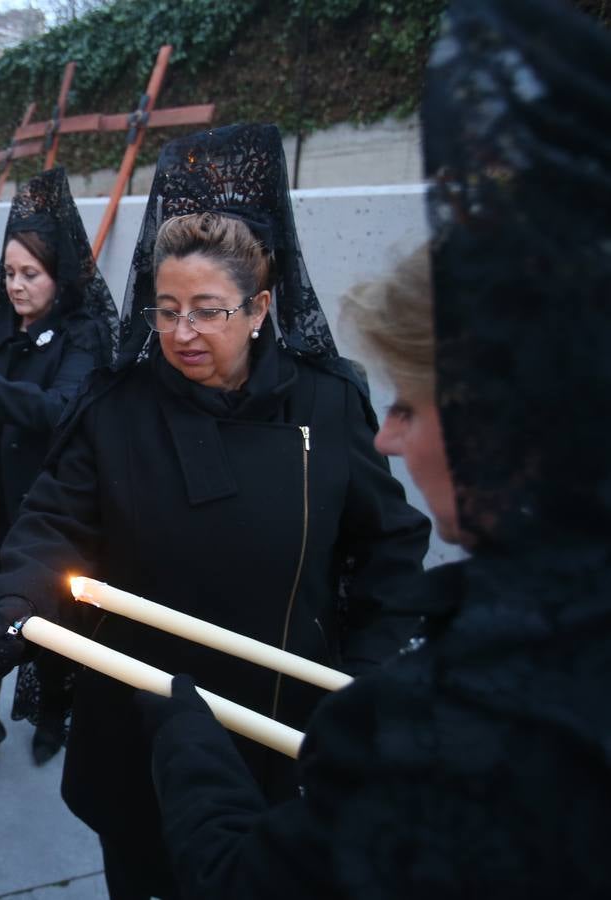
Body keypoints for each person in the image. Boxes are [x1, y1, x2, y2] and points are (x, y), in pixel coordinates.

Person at [132, 3, 611, 895]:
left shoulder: (469, 719)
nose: (391, 433)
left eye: (415, 407)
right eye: (168, 310)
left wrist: (198, 751)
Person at [0, 122, 433, 899]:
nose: (181, 333)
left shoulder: (328, 400)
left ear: (259, 307)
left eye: (208, 311)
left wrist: (371, 675)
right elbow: (53, 520)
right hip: (142, 715)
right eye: (165, 308)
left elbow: (388, 547)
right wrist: (18, 597)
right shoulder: (117, 404)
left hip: (281, 723)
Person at [0, 168, 117, 782]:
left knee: (53, 624)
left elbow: (58, 412)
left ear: (57, 275)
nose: (15, 285)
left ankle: (51, 716)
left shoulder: (83, 337)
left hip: (56, 516)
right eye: (8, 273)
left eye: (28, 273)